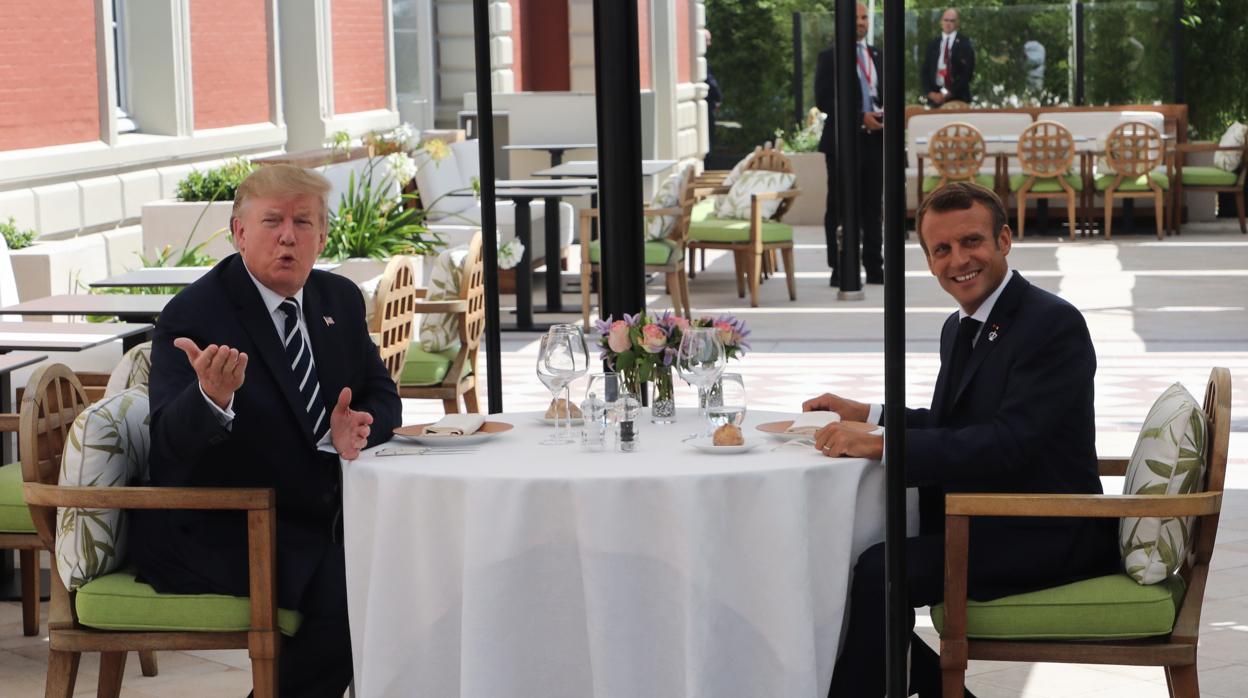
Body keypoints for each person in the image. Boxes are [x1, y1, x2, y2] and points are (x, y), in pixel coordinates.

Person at [805, 183, 1117, 697]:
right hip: (986, 519)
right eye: (942, 249)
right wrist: (870, 414)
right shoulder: (961, 326)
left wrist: (884, 445)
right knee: (851, 565)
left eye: (971, 241)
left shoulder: (1051, 324)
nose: (958, 261)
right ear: (929, 261)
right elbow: (954, 424)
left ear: (1004, 240)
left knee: (880, 573)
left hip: (1047, 530)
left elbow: (1009, 444)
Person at [129, 165, 402, 698]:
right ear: (239, 232)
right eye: (272, 221)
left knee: (418, 563)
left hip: (323, 514)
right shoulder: (195, 315)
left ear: (322, 236)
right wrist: (210, 399)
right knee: (358, 590)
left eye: (303, 222)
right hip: (224, 524)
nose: (288, 236)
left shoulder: (339, 299)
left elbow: (382, 395)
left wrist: (355, 429)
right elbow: (167, 450)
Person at [814, 2, 884, 286]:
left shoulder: (878, 55)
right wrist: (859, 117)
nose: (861, 22)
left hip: (875, 141)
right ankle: (841, 266)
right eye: (856, 18)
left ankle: (875, 266)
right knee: (840, 206)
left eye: (865, 17)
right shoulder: (830, 57)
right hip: (843, 142)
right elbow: (824, 100)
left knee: (873, 206)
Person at [921, 8, 975, 107]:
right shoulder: (933, 44)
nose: (948, 23)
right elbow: (925, 71)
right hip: (935, 99)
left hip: (957, 98)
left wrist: (948, 93)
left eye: (952, 21)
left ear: (957, 23)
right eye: (946, 20)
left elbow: (967, 73)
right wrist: (930, 93)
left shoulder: (964, 43)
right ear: (941, 22)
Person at [704, 28, 723, 151]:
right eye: (707, 40)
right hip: (707, 104)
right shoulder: (702, 61)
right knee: (708, 139)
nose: (709, 44)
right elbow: (710, 82)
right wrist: (718, 98)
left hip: (704, 103)